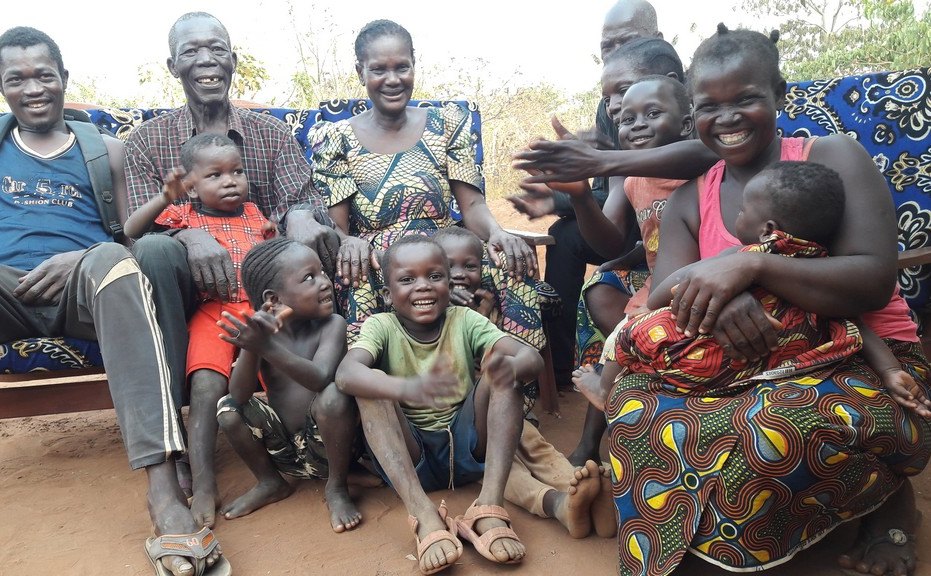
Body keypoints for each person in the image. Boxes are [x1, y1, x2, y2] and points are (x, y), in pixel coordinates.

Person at [524, 24, 931, 576]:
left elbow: (872, 281)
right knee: (634, 408)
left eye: (745, 99)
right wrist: (717, 289)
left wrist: (750, 266)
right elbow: (664, 294)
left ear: (779, 94)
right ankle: (701, 546)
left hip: (862, 355)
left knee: (771, 431)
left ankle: (884, 502)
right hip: (737, 361)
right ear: (693, 114)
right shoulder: (691, 197)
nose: (728, 118)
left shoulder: (831, 158)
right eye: (710, 107)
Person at [0, 27, 229, 576]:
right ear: (0, 86)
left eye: (44, 75)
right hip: (2, 290)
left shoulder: (105, 149)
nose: (33, 88)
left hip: (86, 288)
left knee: (113, 259)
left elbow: (131, 238)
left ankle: (163, 492)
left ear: (64, 78)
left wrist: (81, 258)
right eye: (17, 79)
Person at [123, 11, 338, 508]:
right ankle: (189, 464)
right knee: (157, 252)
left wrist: (302, 216)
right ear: (173, 65)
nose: (206, 60)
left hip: (262, 303)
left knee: (310, 252)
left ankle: (319, 453)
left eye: (217, 49)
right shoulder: (147, 142)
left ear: (234, 59)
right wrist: (187, 231)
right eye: (192, 51)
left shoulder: (271, 138)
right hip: (199, 300)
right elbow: (134, 230)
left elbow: (299, 204)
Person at [601, 161, 931, 419]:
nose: (738, 215)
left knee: (630, 333)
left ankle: (604, 388)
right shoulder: (817, 267)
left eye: (742, 211)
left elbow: (673, 286)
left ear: (767, 229)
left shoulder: (738, 257)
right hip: (766, 374)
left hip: (697, 365)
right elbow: (854, 326)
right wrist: (890, 371)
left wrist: (651, 306)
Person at [308, 19, 543, 351]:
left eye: (402, 67)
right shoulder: (336, 139)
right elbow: (338, 227)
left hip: (446, 249)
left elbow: (472, 205)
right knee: (356, 273)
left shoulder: (447, 124)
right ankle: (372, 374)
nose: (393, 79)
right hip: (381, 257)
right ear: (360, 72)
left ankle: (515, 369)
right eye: (379, 69)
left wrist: (497, 232)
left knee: (511, 259)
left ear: (414, 66)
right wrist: (348, 242)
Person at [335, 235, 543, 574]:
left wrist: (509, 370)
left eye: (434, 276)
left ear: (449, 283)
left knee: (505, 368)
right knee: (369, 386)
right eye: (407, 279)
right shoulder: (381, 325)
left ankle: (488, 507)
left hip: (469, 449)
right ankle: (423, 514)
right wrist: (408, 387)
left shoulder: (465, 319)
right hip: (411, 457)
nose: (423, 286)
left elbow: (530, 357)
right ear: (387, 294)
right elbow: (346, 375)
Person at [506, 0, 663, 394]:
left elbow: (693, 158)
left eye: (627, 41)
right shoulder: (611, 107)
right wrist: (564, 198)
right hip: (631, 219)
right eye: (608, 47)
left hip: (672, 230)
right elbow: (610, 189)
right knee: (565, 234)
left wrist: (602, 163)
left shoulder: (690, 99)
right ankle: (560, 369)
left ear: (657, 41)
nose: (617, 53)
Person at [125, 133, 273, 527]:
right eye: (215, 175)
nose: (230, 181)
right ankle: (205, 482)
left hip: (257, 310)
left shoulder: (256, 214)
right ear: (192, 186)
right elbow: (133, 229)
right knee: (206, 388)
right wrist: (165, 197)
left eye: (237, 171)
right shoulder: (184, 215)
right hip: (213, 312)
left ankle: (292, 461)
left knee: (279, 377)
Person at [433, 227, 615, 539]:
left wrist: (481, 317)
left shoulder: (486, 307)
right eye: (449, 267)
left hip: (502, 410)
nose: (460, 274)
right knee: (503, 464)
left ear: (482, 270)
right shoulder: (428, 312)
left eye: (470, 266)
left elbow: (506, 362)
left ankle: (580, 487)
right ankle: (555, 502)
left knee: (532, 443)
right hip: (462, 426)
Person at [557, 42, 690, 466]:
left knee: (630, 335)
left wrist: (602, 161)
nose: (615, 106)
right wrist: (580, 195)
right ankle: (590, 439)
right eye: (612, 98)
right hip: (658, 278)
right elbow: (612, 242)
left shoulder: (704, 157)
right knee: (608, 307)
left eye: (626, 89)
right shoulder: (630, 172)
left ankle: (635, 404)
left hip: (695, 278)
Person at [214, 238, 362, 533]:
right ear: (274, 299)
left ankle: (336, 486)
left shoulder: (332, 324)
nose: (325, 282)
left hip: (329, 448)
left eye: (323, 272)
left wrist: (267, 348)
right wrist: (253, 347)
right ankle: (270, 482)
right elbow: (240, 395)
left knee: (334, 395)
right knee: (227, 408)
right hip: (285, 453)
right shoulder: (262, 334)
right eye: (310, 278)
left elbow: (320, 377)